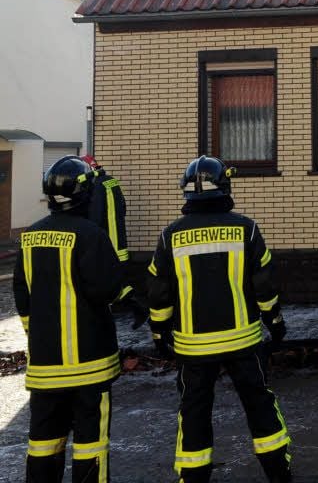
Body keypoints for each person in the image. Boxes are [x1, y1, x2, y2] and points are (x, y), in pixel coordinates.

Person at [147, 155, 291, 483]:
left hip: (193, 347)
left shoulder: (170, 235)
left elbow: (158, 292)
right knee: (259, 405)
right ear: (225, 186)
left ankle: (193, 476)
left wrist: (159, 333)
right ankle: (279, 473)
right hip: (243, 342)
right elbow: (264, 286)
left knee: (194, 412)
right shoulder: (246, 229)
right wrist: (276, 322)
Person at [13, 155, 124, 483]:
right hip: (90, 364)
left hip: (45, 367)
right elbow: (108, 289)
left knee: (43, 443)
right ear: (84, 193)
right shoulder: (91, 235)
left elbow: (23, 297)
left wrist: (40, 336)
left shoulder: (29, 237)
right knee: (91, 444)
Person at [79, 155, 147, 328]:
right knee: (117, 279)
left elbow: (94, 217)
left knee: (105, 279)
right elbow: (123, 207)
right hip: (119, 241)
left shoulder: (95, 186)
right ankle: (136, 305)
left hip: (106, 242)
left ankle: (114, 312)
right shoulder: (111, 181)